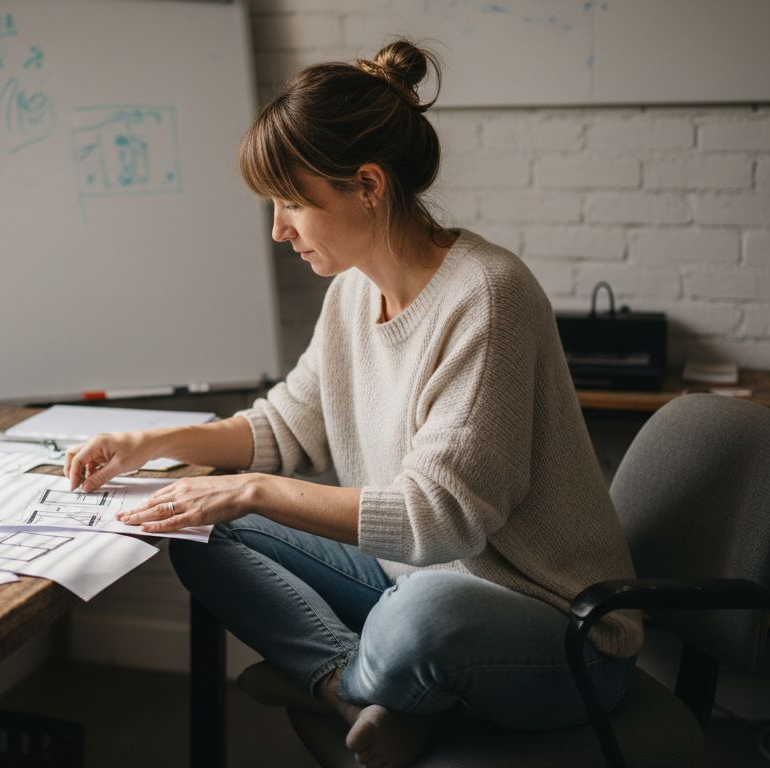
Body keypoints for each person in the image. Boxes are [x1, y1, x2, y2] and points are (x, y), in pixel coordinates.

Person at [64, 39, 643, 768]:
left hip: (557, 638)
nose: (278, 231)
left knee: (422, 614)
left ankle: (370, 681)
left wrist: (256, 491)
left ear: (367, 185)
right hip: (412, 586)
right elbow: (284, 424)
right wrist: (148, 445)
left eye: (291, 204)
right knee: (202, 528)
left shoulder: (487, 297)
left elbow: (436, 521)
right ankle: (353, 686)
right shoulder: (351, 295)